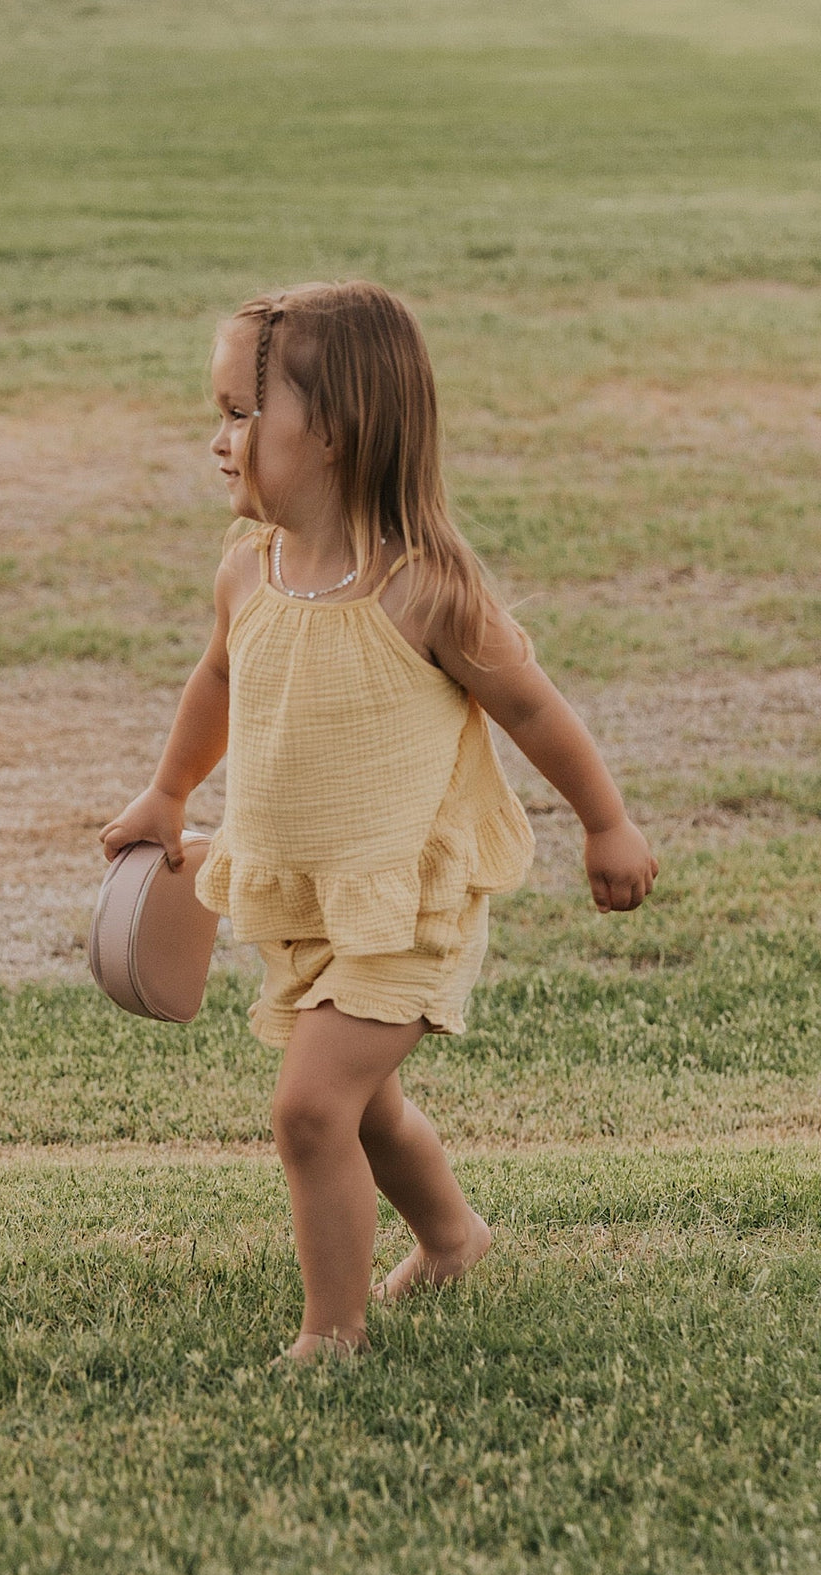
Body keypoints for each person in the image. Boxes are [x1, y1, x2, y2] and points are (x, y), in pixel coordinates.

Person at [100, 281, 657, 1364]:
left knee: (310, 1110)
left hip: (408, 902)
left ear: (340, 431)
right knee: (369, 1113)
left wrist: (607, 824)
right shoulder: (246, 571)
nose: (218, 442)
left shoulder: (427, 590)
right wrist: (168, 793)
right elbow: (215, 685)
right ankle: (452, 1240)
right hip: (308, 896)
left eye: (239, 413)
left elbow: (535, 708)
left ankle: (332, 1336)